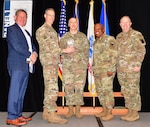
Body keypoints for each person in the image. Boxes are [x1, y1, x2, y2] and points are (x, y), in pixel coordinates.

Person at [36, 8, 74, 124]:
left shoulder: (52, 30)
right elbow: (51, 48)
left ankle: (46, 111)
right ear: (44, 15)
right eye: (49, 15)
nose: (51, 17)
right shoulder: (42, 30)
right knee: (52, 88)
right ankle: (52, 114)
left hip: (52, 62)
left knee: (49, 87)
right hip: (49, 62)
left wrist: (60, 55)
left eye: (53, 15)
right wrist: (65, 50)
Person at [6, 9, 38, 126]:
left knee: (21, 92)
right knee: (15, 91)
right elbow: (17, 46)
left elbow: (33, 46)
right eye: (20, 16)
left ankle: (18, 114)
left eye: (25, 17)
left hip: (26, 66)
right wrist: (30, 54)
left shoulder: (27, 33)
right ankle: (11, 117)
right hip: (17, 65)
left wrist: (35, 53)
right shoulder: (12, 30)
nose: (22, 19)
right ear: (15, 17)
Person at [116, 16, 146, 121]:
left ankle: (135, 113)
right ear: (120, 24)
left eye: (126, 23)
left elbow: (141, 50)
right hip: (121, 69)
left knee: (133, 90)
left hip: (132, 69)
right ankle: (129, 111)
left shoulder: (136, 35)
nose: (124, 25)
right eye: (122, 23)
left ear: (130, 23)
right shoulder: (119, 36)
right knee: (125, 90)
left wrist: (138, 64)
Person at [59, 17, 89, 119]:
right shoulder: (64, 37)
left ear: (77, 24)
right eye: (71, 22)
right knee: (69, 88)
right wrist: (65, 50)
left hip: (80, 67)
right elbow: (59, 50)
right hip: (68, 67)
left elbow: (86, 51)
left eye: (75, 22)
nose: (73, 24)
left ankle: (78, 109)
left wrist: (84, 64)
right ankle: (70, 109)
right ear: (68, 24)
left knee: (79, 88)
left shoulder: (83, 37)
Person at [93, 23, 117, 121]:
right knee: (100, 91)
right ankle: (104, 109)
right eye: (95, 29)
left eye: (99, 29)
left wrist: (111, 69)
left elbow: (114, 54)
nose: (97, 30)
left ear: (103, 29)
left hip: (107, 71)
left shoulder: (109, 39)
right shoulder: (96, 42)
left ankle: (109, 112)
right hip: (98, 71)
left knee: (107, 91)